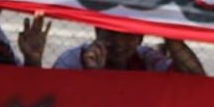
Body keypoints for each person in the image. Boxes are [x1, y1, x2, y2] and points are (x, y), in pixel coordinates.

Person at [53, 27, 205, 75]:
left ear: (140, 38)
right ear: (98, 33)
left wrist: (170, 35)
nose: (119, 42)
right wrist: (93, 75)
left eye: (128, 34)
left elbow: (196, 77)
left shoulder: (146, 57)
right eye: (111, 32)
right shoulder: (72, 60)